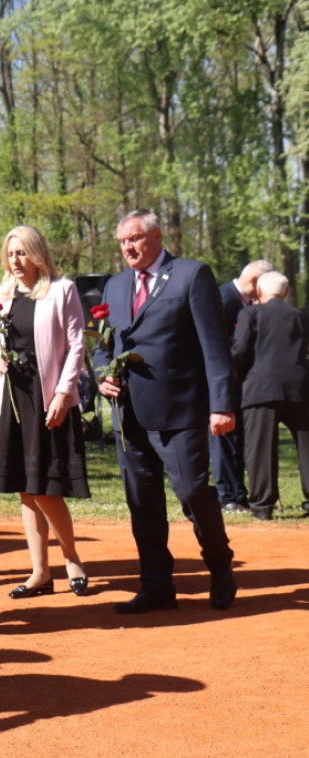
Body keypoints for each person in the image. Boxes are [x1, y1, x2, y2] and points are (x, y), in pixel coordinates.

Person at [95, 209, 237, 613]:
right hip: (128, 414)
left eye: (135, 239)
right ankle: (156, 586)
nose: (128, 248)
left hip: (180, 411)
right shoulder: (115, 285)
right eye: (122, 242)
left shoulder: (192, 275)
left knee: (193, 493)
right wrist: (102, 373)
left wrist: (222, 405)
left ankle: (220, 566)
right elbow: (103, 346)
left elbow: (214, 345)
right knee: (142, 503)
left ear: (156, 236)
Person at [0, 226, 90, 598]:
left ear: (38, 254)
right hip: (13, 398)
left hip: (47, 398)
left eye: (22, 253)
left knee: (46, 487)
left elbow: (76, 346)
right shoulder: (0, 295)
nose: (15, 260)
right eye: (10, 254)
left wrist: (63, 393)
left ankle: (72, 558)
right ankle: (40, 572)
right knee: (26, 490)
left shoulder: (62, 290)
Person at [232, 271, 309, 521]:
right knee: (307, 447)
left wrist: (238, 376)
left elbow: (240, 349)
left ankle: (263, 506)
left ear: (259, 291)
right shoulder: (301, 316)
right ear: (286, 292)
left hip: (261, 387)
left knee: (260, 448)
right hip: (301, 388)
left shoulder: (251, 313)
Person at [213, 259, 273, 514]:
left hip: (243, 381)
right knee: (223, 438)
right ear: (255, 282)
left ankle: (239, 494)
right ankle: (227, 495)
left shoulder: (248, 302)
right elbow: (215, 343)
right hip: (223, 380)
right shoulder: (223, 299)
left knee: (237, 437)